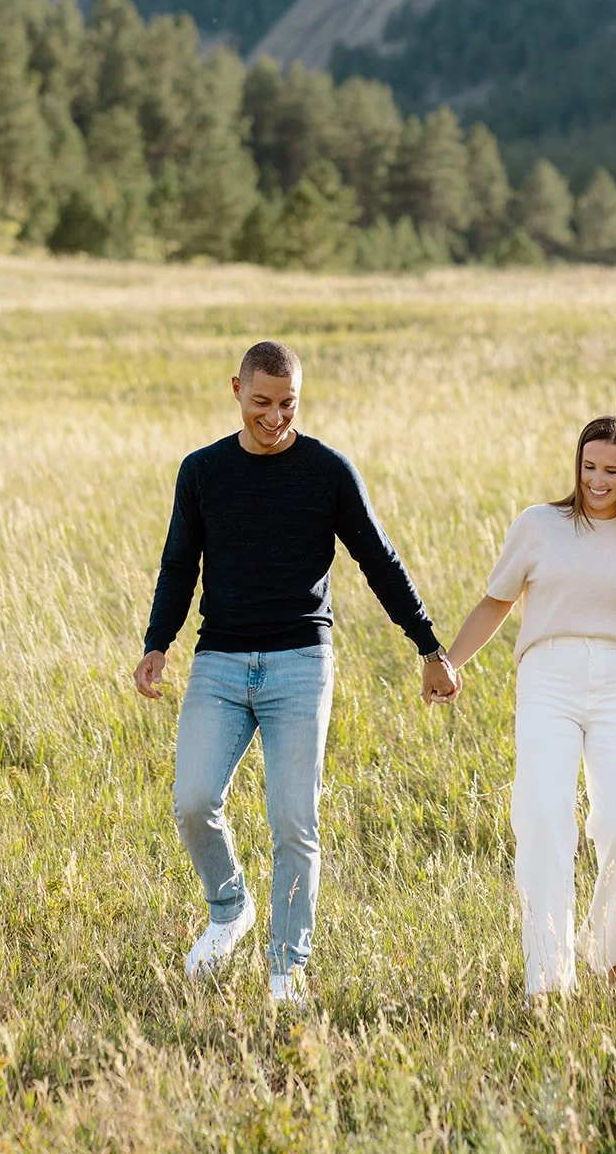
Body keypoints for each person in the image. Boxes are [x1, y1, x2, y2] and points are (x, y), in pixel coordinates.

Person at [133, 340, 459, 1005]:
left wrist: (430, 648)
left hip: (300, 664)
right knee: (193, 802)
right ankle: (230, 911)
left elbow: (379, 560)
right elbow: (178, 565)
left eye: (288, 404)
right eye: (262, 403)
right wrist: (157, 643)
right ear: (235, 390)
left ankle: (287, 971)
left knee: (292, 821)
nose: (276, 417)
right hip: (220, 661)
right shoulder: (201, 471)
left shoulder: (327, 472)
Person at [440, 414, 616, 999]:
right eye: (589, 466)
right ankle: (547, 978)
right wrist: (450, 661)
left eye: (610, 471)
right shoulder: (539, 525)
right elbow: (495, 603)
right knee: (544, 818)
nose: (596, 479)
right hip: (548, 675)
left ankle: (610, 948)